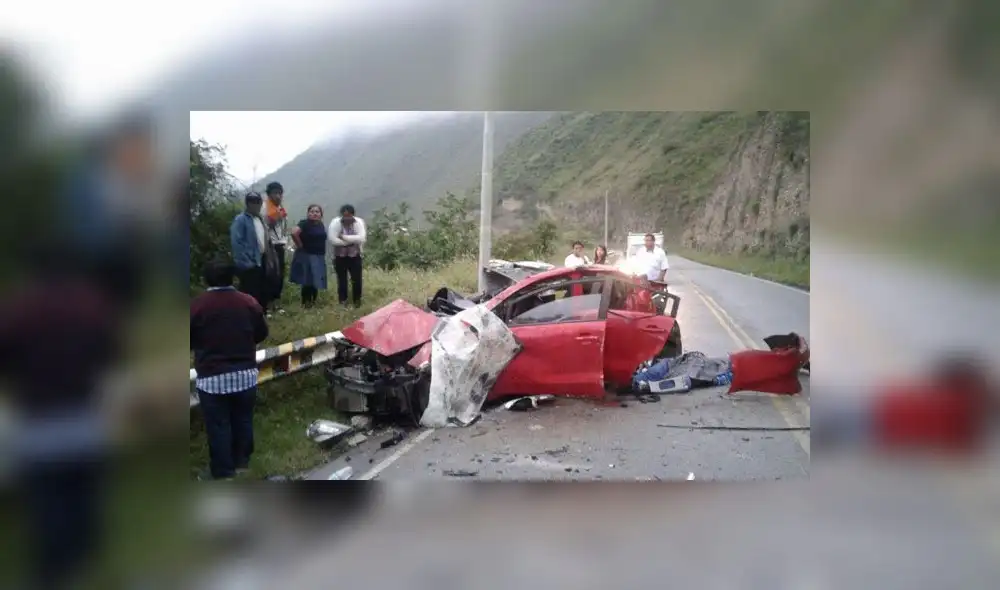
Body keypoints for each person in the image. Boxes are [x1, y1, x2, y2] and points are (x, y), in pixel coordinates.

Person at [190, 256, 269, 480]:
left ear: (206, 279)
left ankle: (223, 472)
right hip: (245, 374)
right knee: (243, 419)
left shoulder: (197, 306)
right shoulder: (248, 302)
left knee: (219, 426)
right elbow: (262, 332)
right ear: (232, 277)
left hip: (212, 378)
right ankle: (242, 462)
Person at [230, 192, 270, 310]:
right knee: (249, 290)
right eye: (252, 202)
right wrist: (247, 261)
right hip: (248, 262)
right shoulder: (241, 220)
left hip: (261, 259)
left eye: (258, 202)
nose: (256, 205)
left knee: (261, 288)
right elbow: (237, 242)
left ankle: (260, 312)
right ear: (247, 203)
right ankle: (247, 313)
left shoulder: (259, 219)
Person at [289, 204, 328, 308]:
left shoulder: (320, 225)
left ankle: (313, 302)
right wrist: (300, 245)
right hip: (307, 255)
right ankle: (306, 303)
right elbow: (293, 233)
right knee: (307, 280)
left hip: (318, 255)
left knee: (316, 279)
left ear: (321, 214)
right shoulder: (304, 223)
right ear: (308, 213)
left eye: (317, 212)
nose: (314, 213)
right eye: (311, 211)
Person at [328, 204, 367, 306]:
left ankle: (357, 301)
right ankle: (343, 301)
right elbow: (333, 240)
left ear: (353, 215)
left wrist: (343, 237)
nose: (347, 218)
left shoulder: (358, 222)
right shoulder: (335, 223)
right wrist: (350, 241)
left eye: (349, 215)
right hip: (340, 256)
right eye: (344, 215)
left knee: (357, 279)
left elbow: (361, 238)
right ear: (341, 215)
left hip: (355, 255)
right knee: (342, 280)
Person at [263, 181, 288, 314]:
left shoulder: (279, 207)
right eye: (275, 193)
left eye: (280, 193)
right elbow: (269, 222)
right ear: (269, 194)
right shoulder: (266, 207)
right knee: (272, 275)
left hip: (280, 244)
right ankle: (268, 305)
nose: (278, 196)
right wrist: (280, 215)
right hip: (270, 245)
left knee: (280, 275)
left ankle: (277, 303)